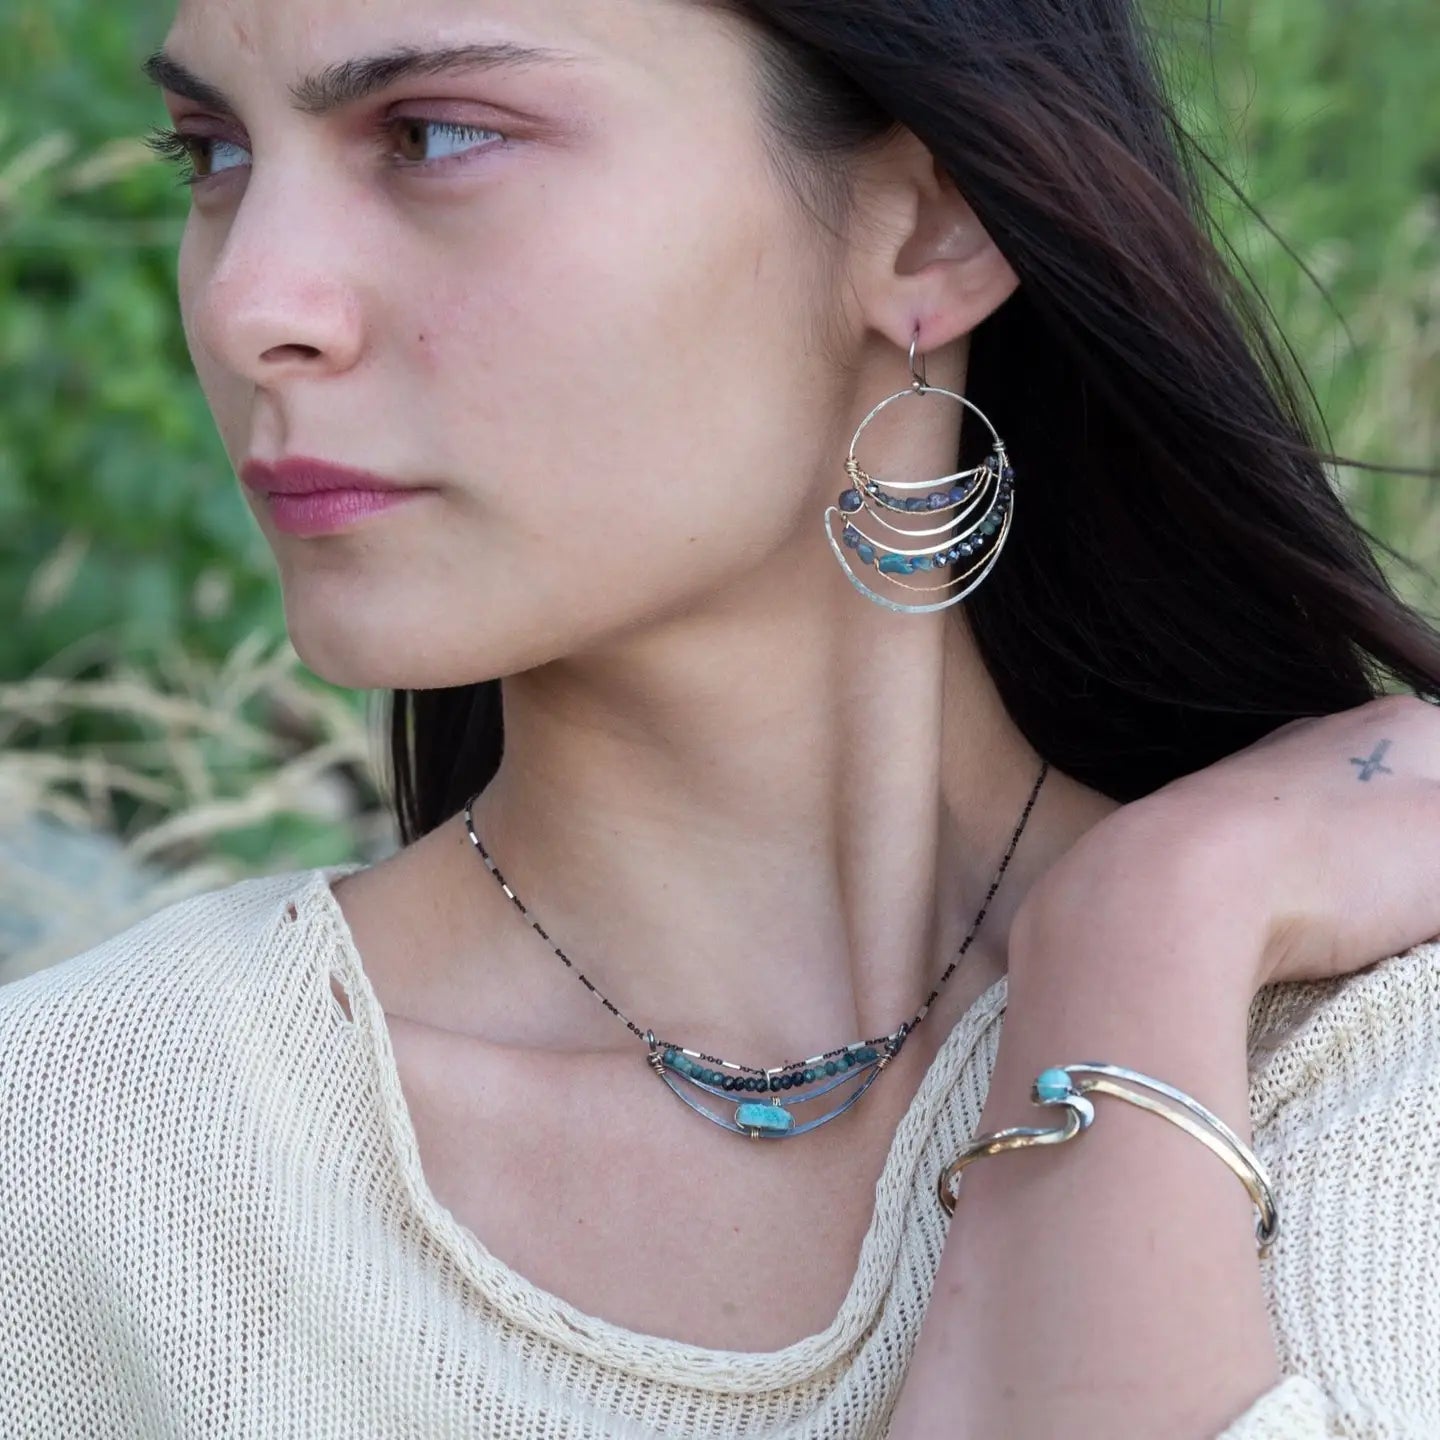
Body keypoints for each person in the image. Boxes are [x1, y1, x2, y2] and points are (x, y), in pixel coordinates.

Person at [2, 0, 1439, 1435]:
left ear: (928, 223)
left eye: (434, 135)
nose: (253, 305)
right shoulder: (80, 1141)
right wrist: (1153, 921)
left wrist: (1134, 946)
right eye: (213, 154)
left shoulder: (1376, 1077)